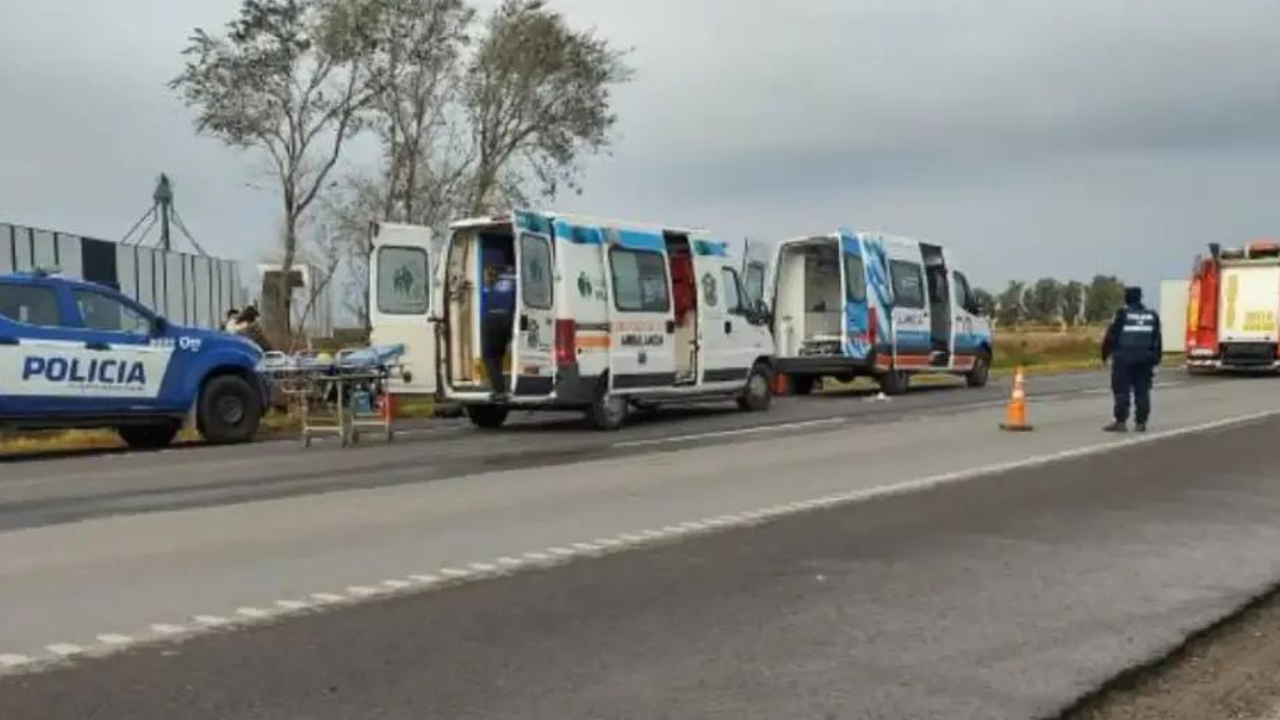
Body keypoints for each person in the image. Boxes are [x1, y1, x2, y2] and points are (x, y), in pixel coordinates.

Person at [1101, 286, 1161, 433]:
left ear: (1126, 298)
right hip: (1145, 359)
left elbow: (1110, 336)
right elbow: (1157, 339)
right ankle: (1141, 423)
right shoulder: (1152, 315)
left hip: (1123, 359)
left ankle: (1120, 422)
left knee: (1121, 390)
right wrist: (1156, 358)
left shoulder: (1121, 313)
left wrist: (1105, 354)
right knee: (1142, 391)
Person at [481, 264, 516, 400]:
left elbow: (485, 297)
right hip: (507, 322)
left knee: (489, 356)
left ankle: (499, 388)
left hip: (493, 322)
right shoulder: (514, 284)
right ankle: (504, 385)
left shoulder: (493, 286)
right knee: (498, 356)